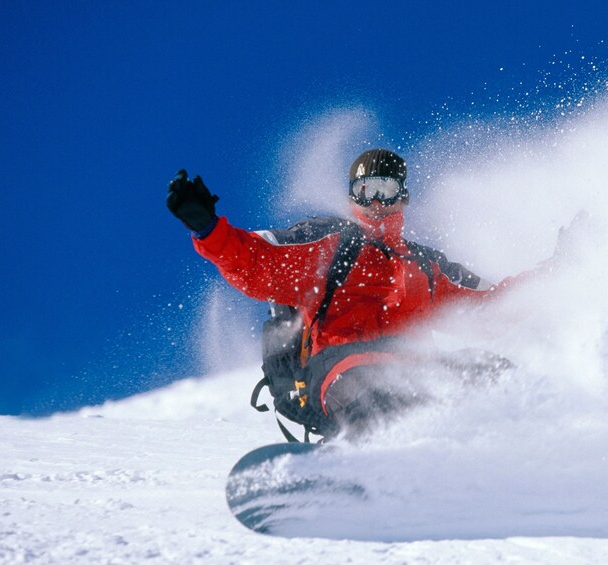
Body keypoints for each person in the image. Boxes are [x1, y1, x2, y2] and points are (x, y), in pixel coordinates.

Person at [167, 149, 519, 440]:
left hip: (411, 367)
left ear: (403, 197)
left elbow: (495, 307)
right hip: (339, 367)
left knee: (494, 372)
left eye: (386, 188)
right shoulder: (330, 243)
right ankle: (360, 452)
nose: (377, 201)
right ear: (353, 196)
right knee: (368, 379)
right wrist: (210, 231)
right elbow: (261, 263)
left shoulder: (428, 267)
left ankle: (494, 454)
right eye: (367, 190)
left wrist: (565, 267)